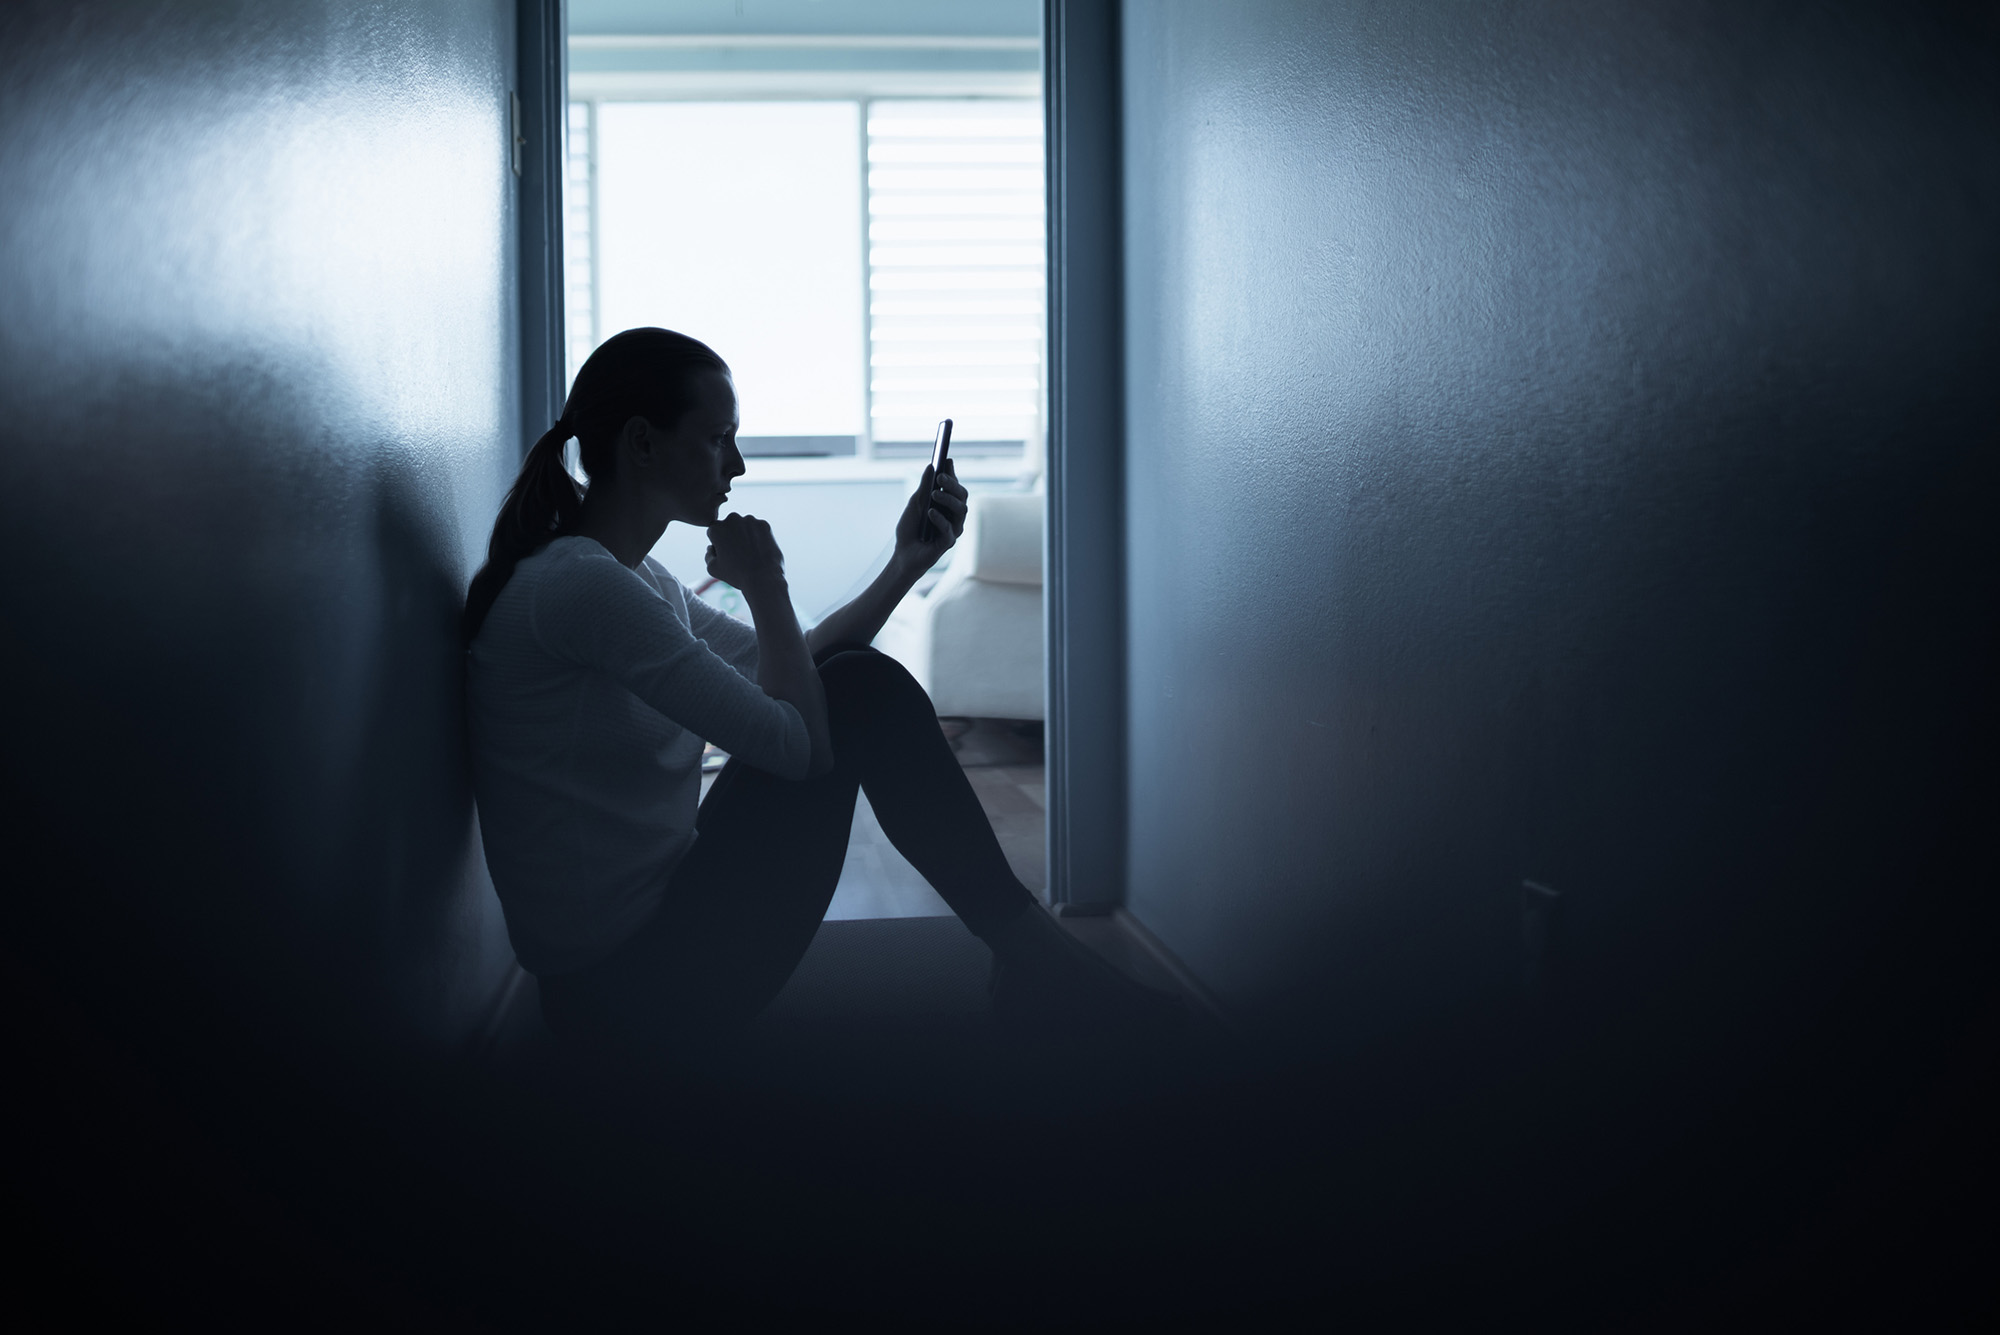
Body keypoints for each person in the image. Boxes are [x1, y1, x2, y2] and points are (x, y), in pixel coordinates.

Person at [463, 328, 1182, 1057]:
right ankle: (1039, 959)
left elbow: (796, 665)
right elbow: (799, 750)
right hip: (622, 996)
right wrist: (766, 584)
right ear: (642, 443)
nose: (736, 464)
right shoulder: (586, 587)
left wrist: (907, 563)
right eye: (719, 439)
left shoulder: (627, 578)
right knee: (853, 688)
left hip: (638, 952)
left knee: (850, 683)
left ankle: (1032, 957)